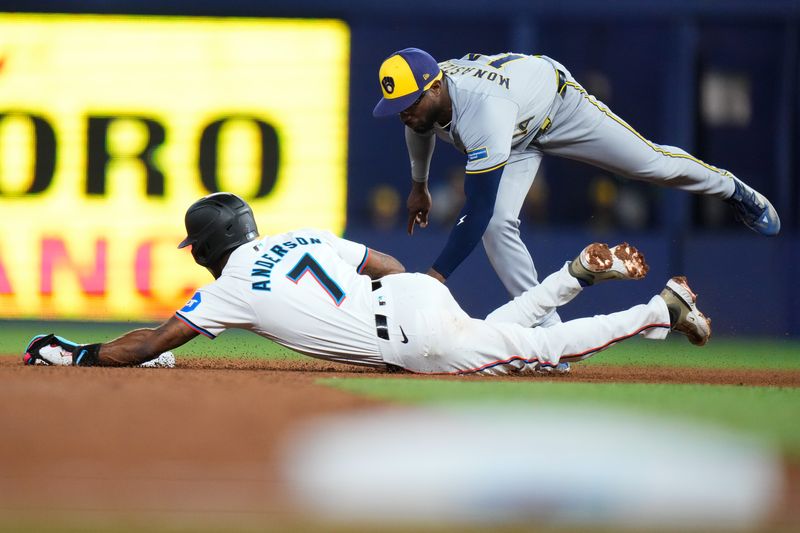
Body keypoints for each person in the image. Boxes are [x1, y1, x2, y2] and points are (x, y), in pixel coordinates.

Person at [24, 192, 710, 375]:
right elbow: (383, 260)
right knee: (503, 339)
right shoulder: (298, 234)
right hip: (411, 297)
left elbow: (152, 340)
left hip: (412, 339)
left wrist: (80, 352)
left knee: (542, 357)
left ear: (204, 247)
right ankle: (574, 276)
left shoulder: (229, 283)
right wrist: (424, 292)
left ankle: (659, 306)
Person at [371, 48, 780, 332]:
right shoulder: (428, 100)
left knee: (650, 164)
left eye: (410, 103)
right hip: (513, 131)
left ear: (436, 88)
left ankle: (733, 189)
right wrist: (419, 186)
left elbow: (474, 211)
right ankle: (548, 334)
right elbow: (420, 129)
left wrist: (434, 278)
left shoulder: (482, 111)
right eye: (398, 107)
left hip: (557, 107)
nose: (405, 114)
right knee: (498, 225)